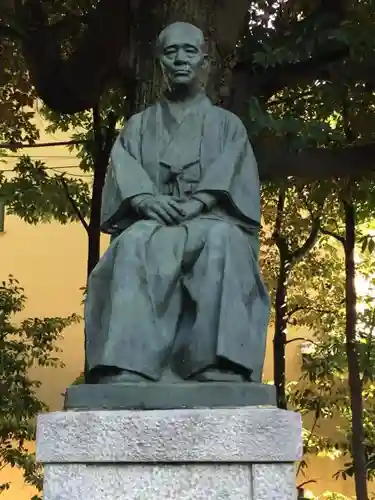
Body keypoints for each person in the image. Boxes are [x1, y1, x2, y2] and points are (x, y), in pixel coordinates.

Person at [85, 21, 270, 384]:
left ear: (205, 62)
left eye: (189, 51)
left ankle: (218, 361)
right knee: (132, 243)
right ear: (160, 63)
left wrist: (199, 202)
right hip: (154, 226)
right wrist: (145, 200)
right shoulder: (137, 127)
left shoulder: (228, 126)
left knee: (225, 243)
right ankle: (128, 364)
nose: (181, 59)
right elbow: (124, 170)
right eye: (171, 52)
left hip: (212, 223)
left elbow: (233, 174)